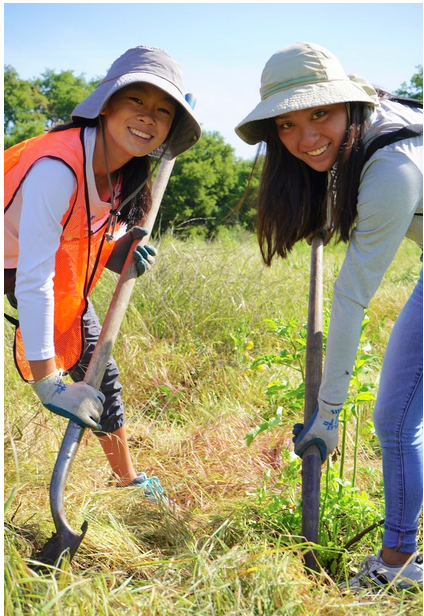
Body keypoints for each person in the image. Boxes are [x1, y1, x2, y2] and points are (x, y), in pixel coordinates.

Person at [235, 42, 423, 590]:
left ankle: (396, 566)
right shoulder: (364, 130)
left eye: (320, 113)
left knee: (394, 418)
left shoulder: (391, 165)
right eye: (288, 124)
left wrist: (328, 411)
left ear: (347, 105)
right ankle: (401, 558)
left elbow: (352, 296)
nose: (306, 136)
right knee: (398, 419)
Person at [4, 45, 201, 506]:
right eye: (137, 101)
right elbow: (35, 280)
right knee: (89, 365)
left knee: (99, 370)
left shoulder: (122, 171)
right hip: (16, 263)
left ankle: (128, 482)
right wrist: (48, 381)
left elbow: (79, 232)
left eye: (163, 111)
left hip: (37, 261)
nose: (148, 118)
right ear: (107, 104)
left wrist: (115, 250)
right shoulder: (57, 169)